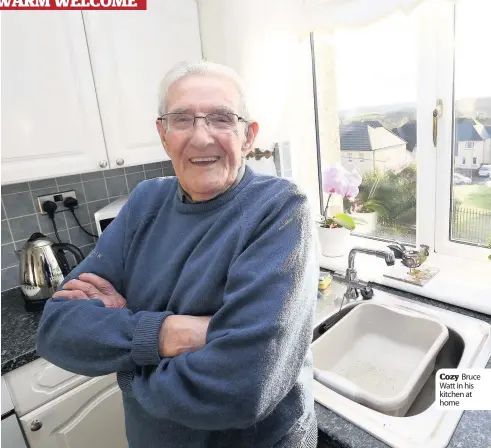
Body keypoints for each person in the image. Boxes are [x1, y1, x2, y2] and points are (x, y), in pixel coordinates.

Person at [36, 61, 319, 448]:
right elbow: (57, 329)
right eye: (182, 119)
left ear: (248, 135)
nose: (201, 137)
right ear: (163, 134)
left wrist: (126, 368)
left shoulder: (280, 209)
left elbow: (241, 387)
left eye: (221, 118)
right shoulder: (144, 202)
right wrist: (169, 333)